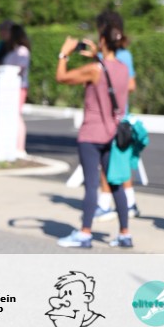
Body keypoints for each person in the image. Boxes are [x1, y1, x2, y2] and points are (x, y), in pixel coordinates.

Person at [55, 23, 132, 248]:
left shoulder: (94, 69)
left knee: (91, 185)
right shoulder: (123, 68)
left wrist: (64, 54)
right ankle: (125, 234)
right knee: (116, 183)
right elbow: (110, 75)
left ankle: (85, 233)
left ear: (103, 41)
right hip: (113, 134)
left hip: (92, 134)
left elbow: (61, 76)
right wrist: (98, 55)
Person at [93, 10, 141, 221]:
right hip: (116, 117)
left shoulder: (116, 57)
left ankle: (105, 204)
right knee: (120, 163)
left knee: (108, 163)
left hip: (113, 119)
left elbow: (130, 84)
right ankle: (129, 203)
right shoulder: (119, 55)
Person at [0, 23, 31, 157]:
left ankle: (20, 147)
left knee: (16, 115)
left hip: (18, 87)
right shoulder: (13, 50)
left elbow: (20, 69)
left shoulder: (22, 51)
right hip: (9, 87)